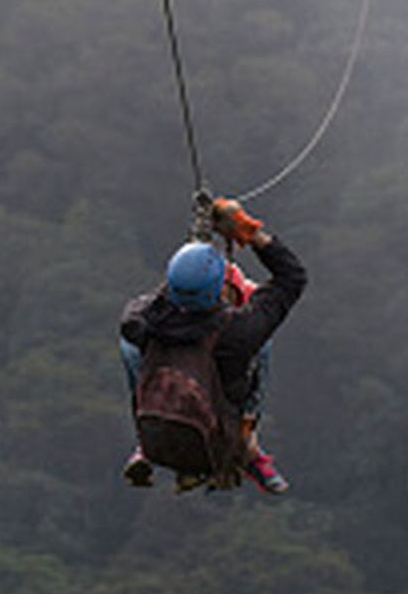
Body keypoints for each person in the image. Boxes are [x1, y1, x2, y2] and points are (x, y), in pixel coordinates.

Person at [119, 198, 307, 493]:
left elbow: (155, 300)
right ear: (219, 287)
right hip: (219, 443)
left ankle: (143, 441)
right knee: (263, 342)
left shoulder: (141, 322)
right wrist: (248, 232)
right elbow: (292, 278)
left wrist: (189, 260)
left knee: (129, 347)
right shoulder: (237, 334)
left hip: (160, 435)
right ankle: (248, 442)